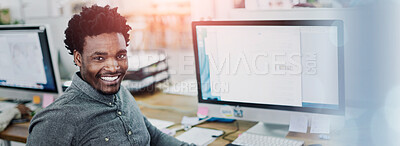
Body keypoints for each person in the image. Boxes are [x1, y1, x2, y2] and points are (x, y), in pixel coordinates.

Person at [27, 5, 190, 146]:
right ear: (78, 58)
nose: (113, 68)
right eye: (99, 58)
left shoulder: (121, 92)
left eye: (120, 56)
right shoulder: (55, 121)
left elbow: (152, 135)